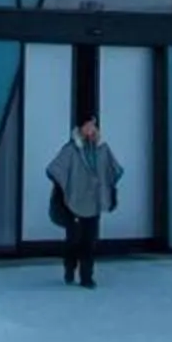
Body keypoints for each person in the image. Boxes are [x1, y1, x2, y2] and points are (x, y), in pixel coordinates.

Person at [46, 113, 123, 287]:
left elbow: (112, 171)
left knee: (90, 241)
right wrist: (64, 190)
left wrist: (109, 193)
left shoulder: (102, 149)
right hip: (74, 202)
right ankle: (70, 267)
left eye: (93, 125)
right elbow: (55, 170)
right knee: (74, 240)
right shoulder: (71, 149)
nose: (91, 129)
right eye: (87, 125)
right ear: (80, 128)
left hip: (94, 202)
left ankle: (87, 276)